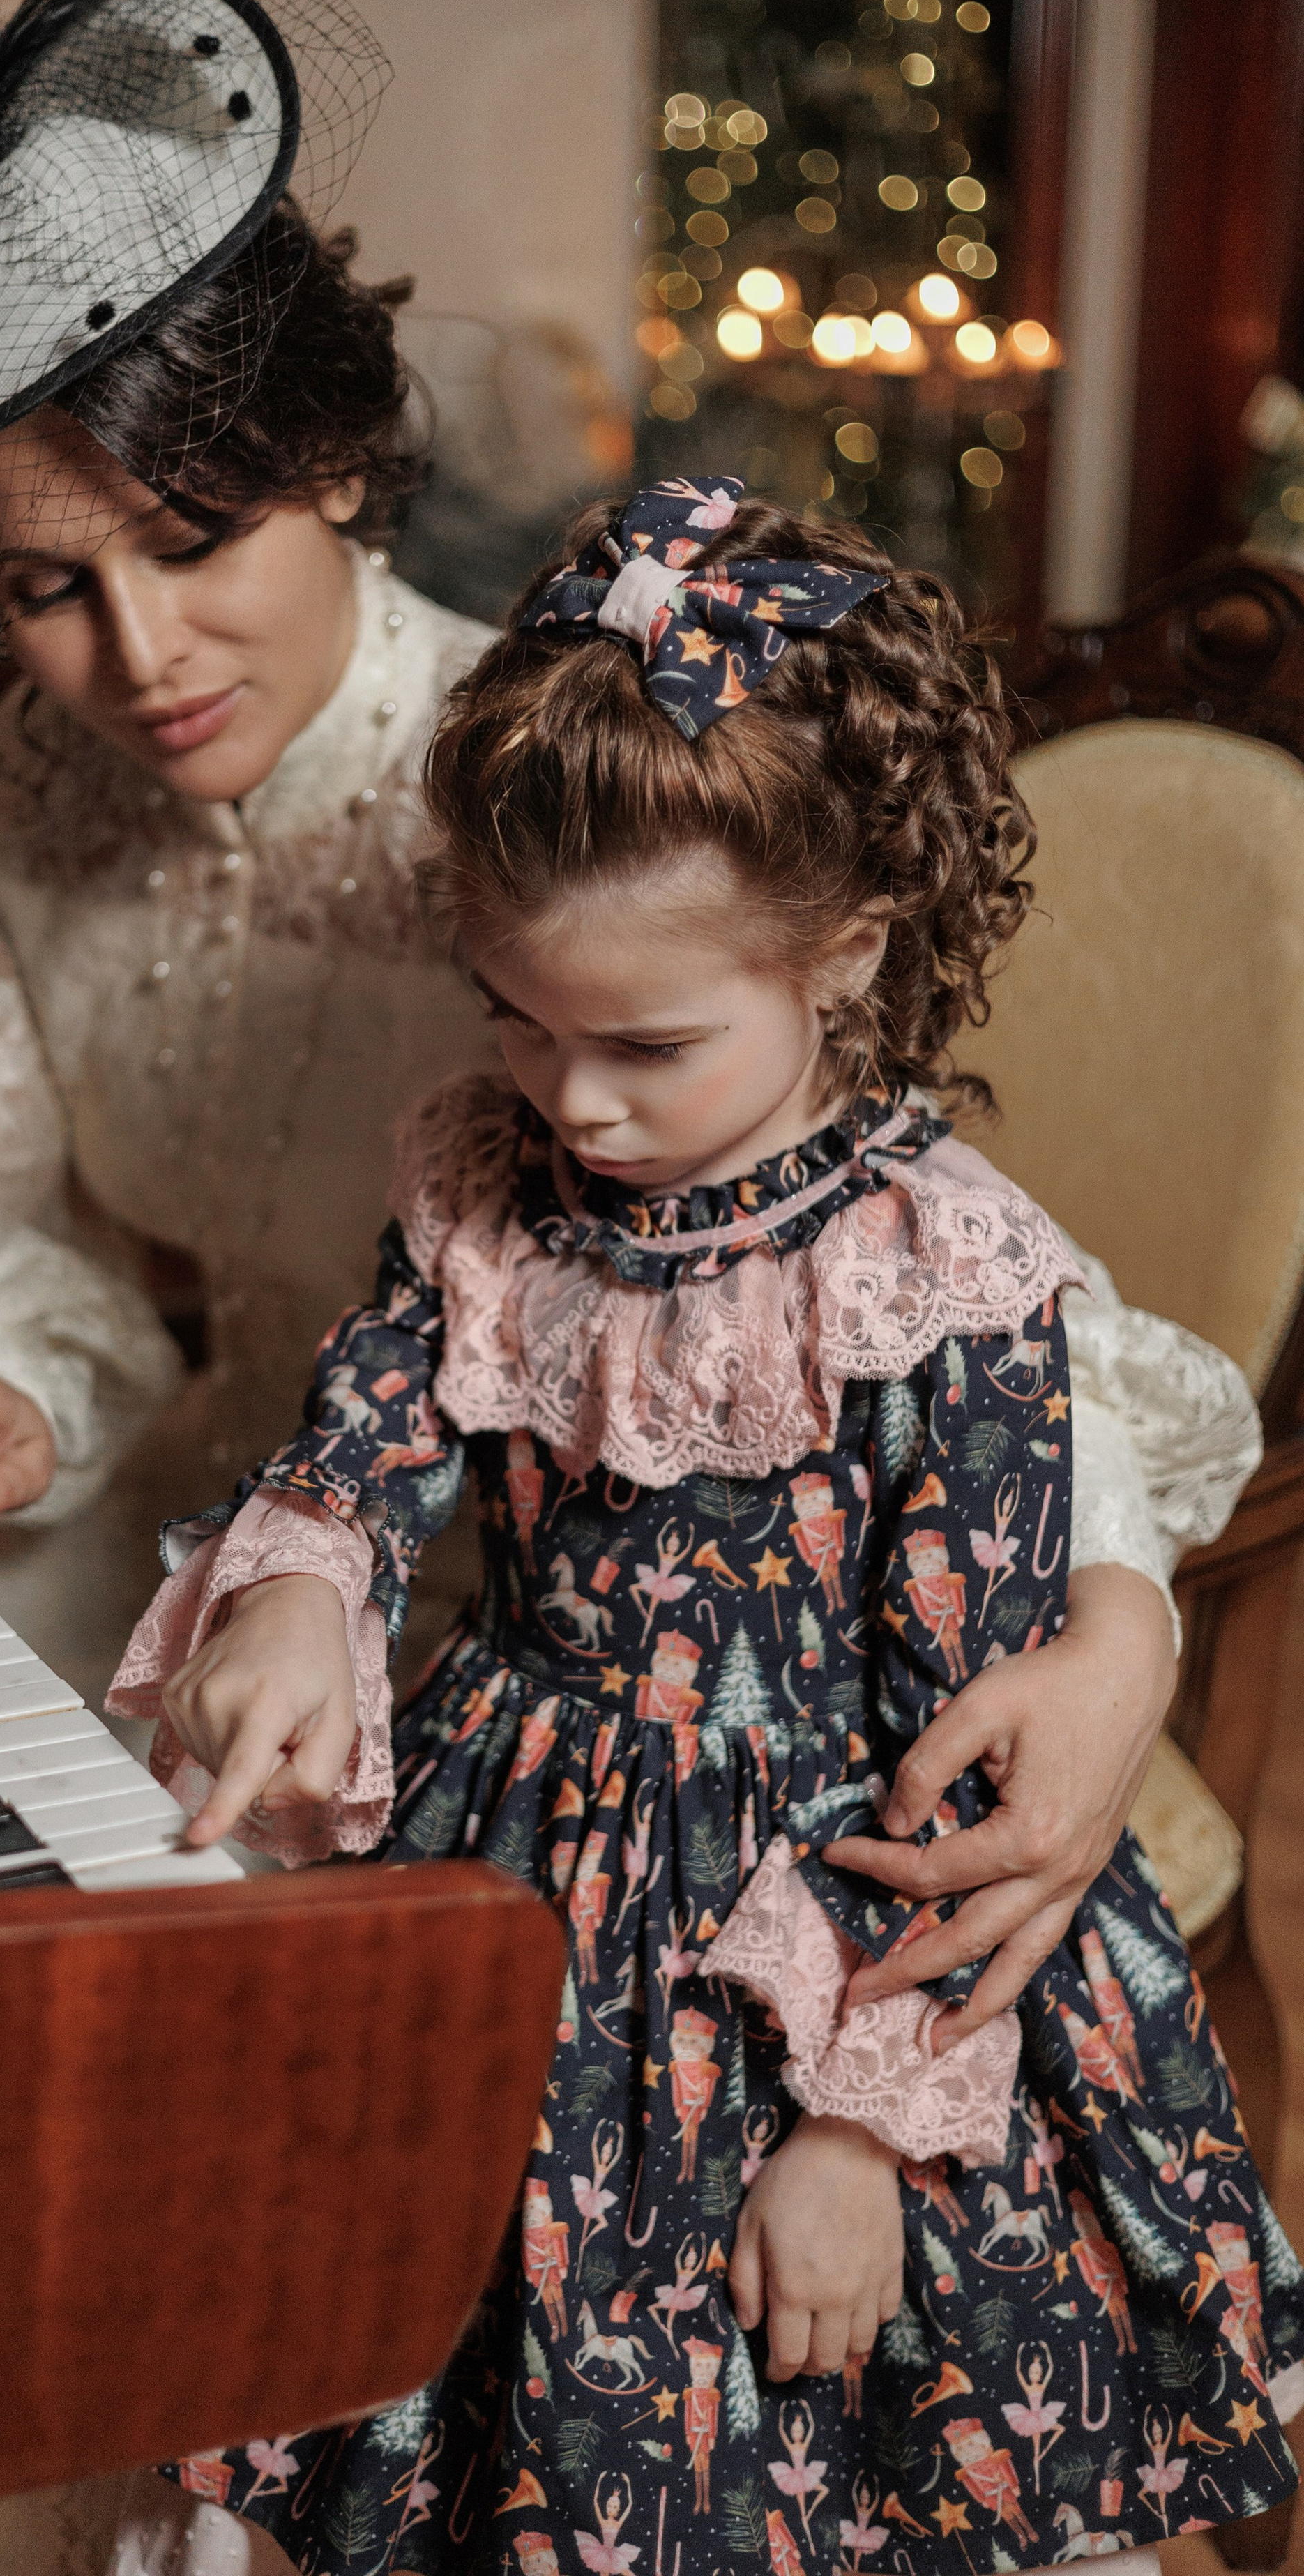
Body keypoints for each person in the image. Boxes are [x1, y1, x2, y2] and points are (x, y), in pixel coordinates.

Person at [108, 479, 1303, 2575]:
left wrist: (853, 2128)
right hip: (517, 1846)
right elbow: (378, 1416)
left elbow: (959, 1762)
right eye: (518, 1015)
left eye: (645, 1043)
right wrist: (305, 1591)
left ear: (847, 958)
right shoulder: (489, 1175)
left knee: (763, 2444)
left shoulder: (941, 1274)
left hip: (821, 1910)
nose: (570, 1101)